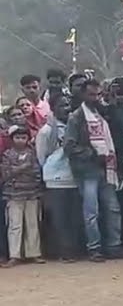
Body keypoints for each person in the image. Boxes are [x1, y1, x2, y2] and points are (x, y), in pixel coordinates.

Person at [63, 78, 123, 261]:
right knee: (92, 211)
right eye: (91, 94)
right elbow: (69, 146)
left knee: (113, 209)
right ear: (83, 95)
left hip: (107, 168)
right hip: (87, 170)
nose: (95, 97)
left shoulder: (102, 113)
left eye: (98, 94)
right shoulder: (76, 117)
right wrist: (91, 154)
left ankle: (113, 246)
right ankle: (94, 248)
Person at [35, 94, 80, 261]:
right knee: (59, 219)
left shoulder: (74, 127)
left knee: (73, 218)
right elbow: (41, 157)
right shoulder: (46, 131)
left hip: (74, 178)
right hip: (55, 181)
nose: (66, 109)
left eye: (68, 105)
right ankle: (63, 252)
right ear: (53, 108)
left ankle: (74, 249)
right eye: (62, 105)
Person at [1, 125, 43, 267]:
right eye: (17, 137)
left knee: (32, 224)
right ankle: (14, 255)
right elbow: (6, 174)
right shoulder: (7, 154)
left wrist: (17, 170)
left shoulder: (32, 154)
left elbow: (36, 173)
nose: (20, 140)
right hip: (13, 195)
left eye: (23, 137)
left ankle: (34, 253)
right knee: (15, 225)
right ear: (12, 139)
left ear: (28, 138)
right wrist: (23, 168)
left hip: (31, 193)